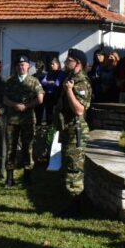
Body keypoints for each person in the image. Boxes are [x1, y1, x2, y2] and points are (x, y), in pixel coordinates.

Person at [53, 49, 92, 217]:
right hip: (67, 129)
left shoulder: (81, 82)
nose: (65, 62)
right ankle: (72, 203)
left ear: (78, 63)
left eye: (69, 60)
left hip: (77, 130)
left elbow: (79, 110)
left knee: (75, 169)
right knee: (69, 165)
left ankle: (77, 208)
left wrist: (69, 91)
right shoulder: (70, 79)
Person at [2, 55, 43, 188]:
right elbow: (4, 99)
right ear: (15, 67)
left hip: (28, 119)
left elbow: (40, 98)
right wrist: (15, 105)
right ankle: (9, 179)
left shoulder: (34, 81)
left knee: (27, 148)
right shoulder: (10, 81)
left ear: (28, 66)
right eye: (19, 65)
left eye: (24, 64)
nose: (21, 67)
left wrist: (26, 106)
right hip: (12, 120)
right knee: (11, 148)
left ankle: (27, 177)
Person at [39, 57, 65, 123]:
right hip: (48, 96)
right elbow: (43, 82)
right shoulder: (49, 73)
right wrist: (50, 82)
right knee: (48, 114)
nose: (51, 65)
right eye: (51, 64)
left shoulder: (61, 73)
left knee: (57, 115)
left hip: (57, 97)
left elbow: (57, 84)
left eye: (53, 64)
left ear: (58, 64)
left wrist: (49, 82)